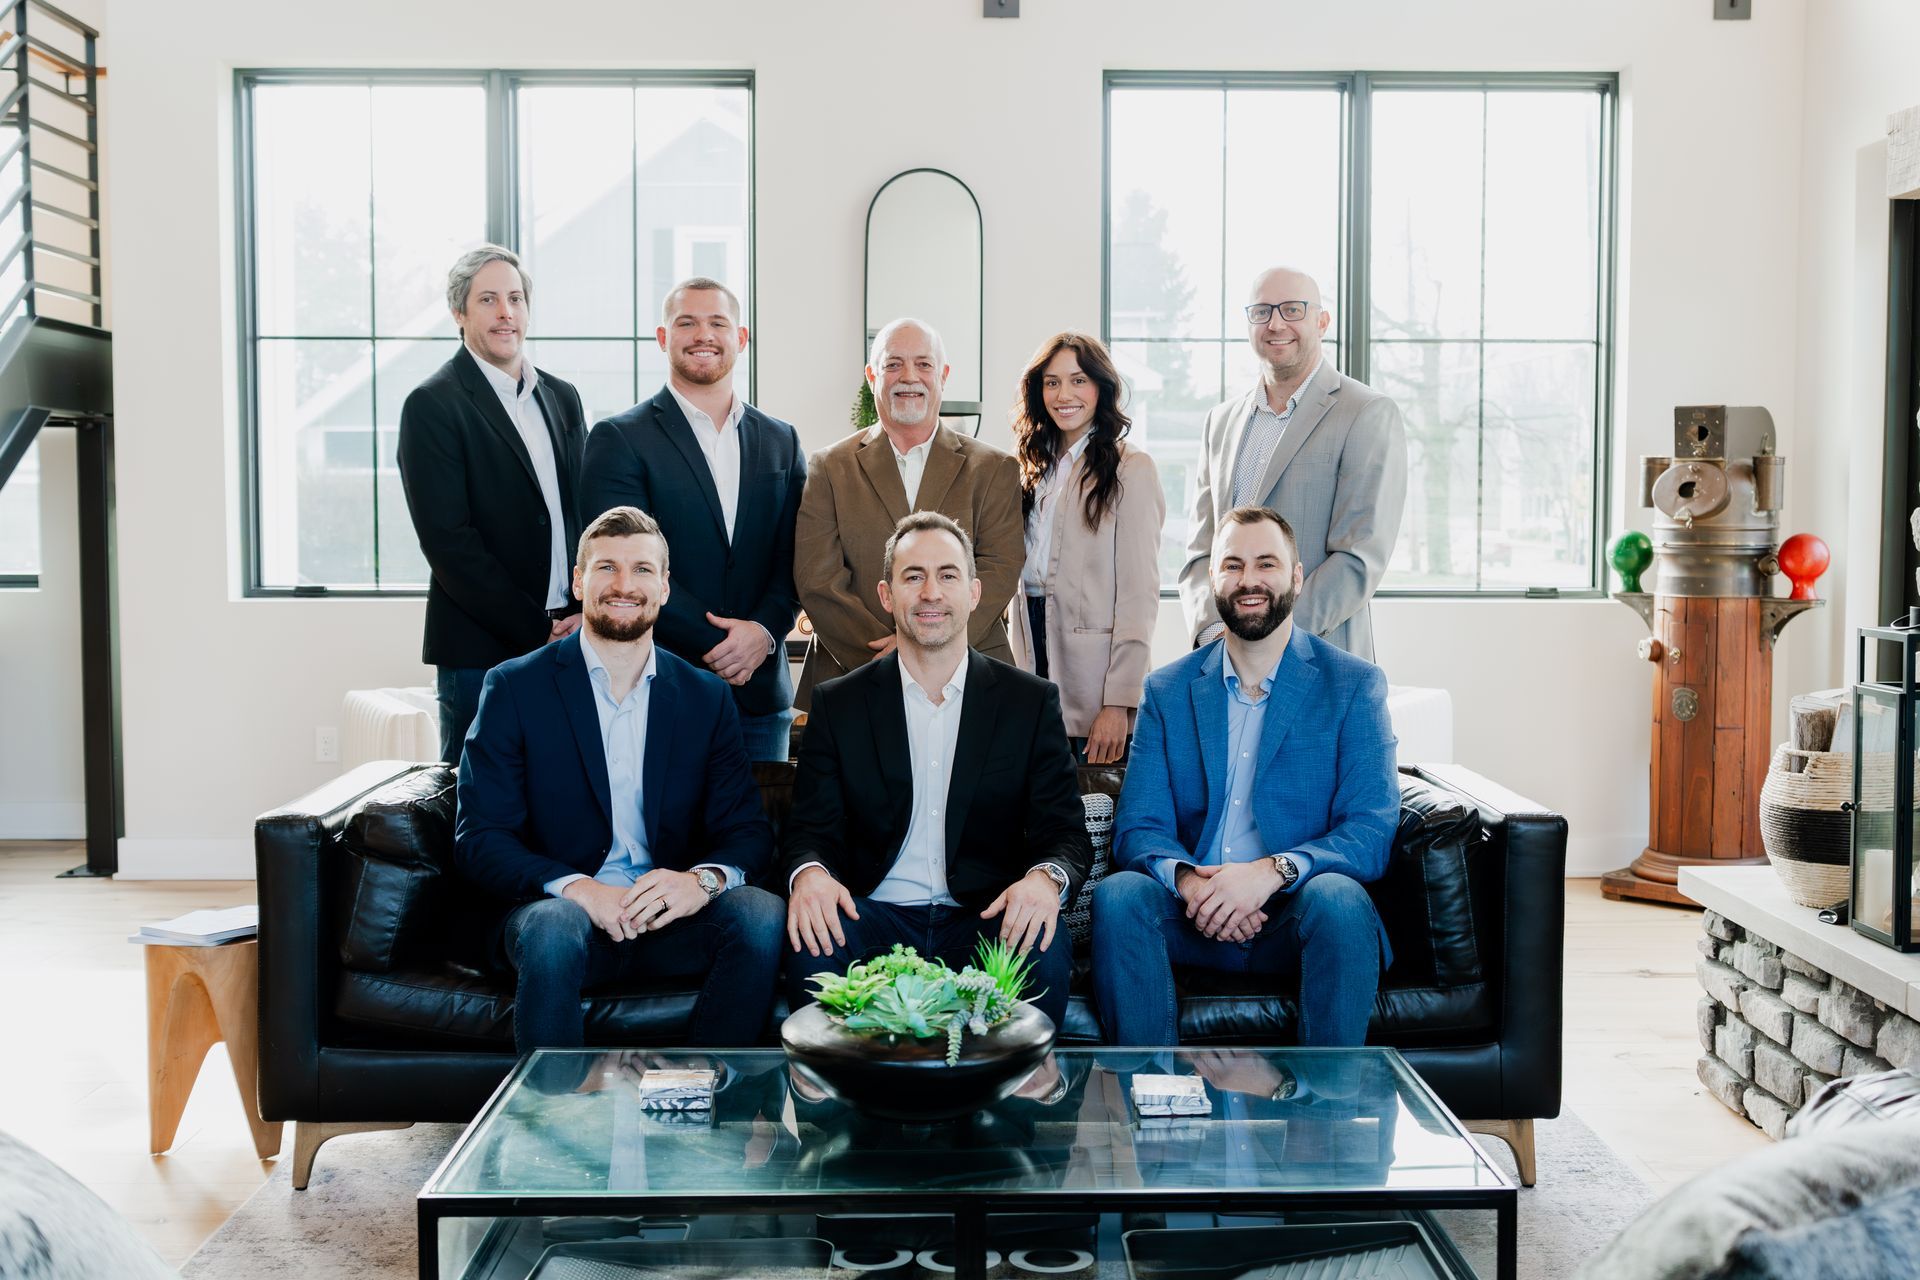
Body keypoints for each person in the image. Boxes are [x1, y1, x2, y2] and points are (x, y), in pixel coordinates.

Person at [454, 505, 785, 1056]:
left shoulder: (705, 697)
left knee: (759, 913)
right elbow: (480, 838)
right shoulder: (515, 687)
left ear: (664, 587)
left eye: (642, 570)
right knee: (556, 926)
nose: (624, 585)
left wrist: (698, 882)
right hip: (561, 920)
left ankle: (706, 1101)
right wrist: (580, 889)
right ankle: (553, 1127)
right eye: (606, 568)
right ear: (579, 582)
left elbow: (747, 830)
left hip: (667, 922)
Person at [1094, 506, 1399, 1048]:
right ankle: (1154, 1114)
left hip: (1294, 915)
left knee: (1341, 899)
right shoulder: (1168, 690)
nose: (1249, 580)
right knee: (1119, 897)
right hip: (1191, 917)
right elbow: (1138, 828)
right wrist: (1192, 885)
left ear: (1297, 577)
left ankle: (1323, 1124)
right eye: (1231, 565)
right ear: (1212, 579)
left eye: (1266, 564)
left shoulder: (1353, 685)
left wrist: (1269, 874)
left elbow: (1371, 831)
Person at [780, 512, 1090, 1031]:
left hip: (987, 917)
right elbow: (809, 830)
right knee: (811, 932)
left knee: (1042, 933)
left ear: (973, 593)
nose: (931, 592)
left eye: (947, 575)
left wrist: (1043, 880)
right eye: (913, 576)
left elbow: (1064, 833)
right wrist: (810, 875)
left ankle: (1021, 1103)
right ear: (887, 594)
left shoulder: (1029, 703)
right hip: (871, 915)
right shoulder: (839, 703)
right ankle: (832, 1107)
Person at [577, 277, 807, 762]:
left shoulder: (781, 440)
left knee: (758, 836)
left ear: (740, 338)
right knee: (666, 837)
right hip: (658, 685)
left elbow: (796, 556)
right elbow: (624, 567)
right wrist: (723, 646)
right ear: (664, 338)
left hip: (761, 698)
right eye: (687, 323)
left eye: (717, 323)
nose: (703, 334)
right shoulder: (619, 438)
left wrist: (763, 634)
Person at [397, 245, 589, 763]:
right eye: (488, 299)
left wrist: (580, 613)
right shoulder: (433, 404)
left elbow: (581, 513)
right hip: (480, 650)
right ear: (459, 313)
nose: (506, 312)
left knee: (562, 799)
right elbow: (449, 541)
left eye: (515, 298)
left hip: (570, 636)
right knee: (476, 810)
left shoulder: (562, 396)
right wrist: (535, 628)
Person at [1178, 267, 1407, 662]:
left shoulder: (1366, 412)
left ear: (1321, 321)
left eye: (1292, 309)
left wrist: (1269, 639)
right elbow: (1202, 549)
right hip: (1223, 660)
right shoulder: (1220, 421)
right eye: (1262, 311)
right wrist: (1215, 631)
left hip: (1318, 656)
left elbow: (1358, 557)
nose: (1276, 323)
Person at [792, 318, 1023, 709]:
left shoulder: (993, 468)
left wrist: (924, 641)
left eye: (924, 364)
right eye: (893, 364)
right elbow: (817, 578)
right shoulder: (829, 467)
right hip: (854, 674)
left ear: (944, 376)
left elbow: (1001, 568)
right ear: (871, 376)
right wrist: (892, 654)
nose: (909, 377)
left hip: (970, 670)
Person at [1006, 332, 1165, 765]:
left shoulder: (1132, 469)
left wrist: (1120, 701)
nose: (1064, 395)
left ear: (1101, 387)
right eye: (1052, 382)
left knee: (1096, 815)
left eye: (1078, 381)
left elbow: (1139, 595)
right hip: (1031, 652)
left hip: (1094, 679)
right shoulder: (1031, 469)